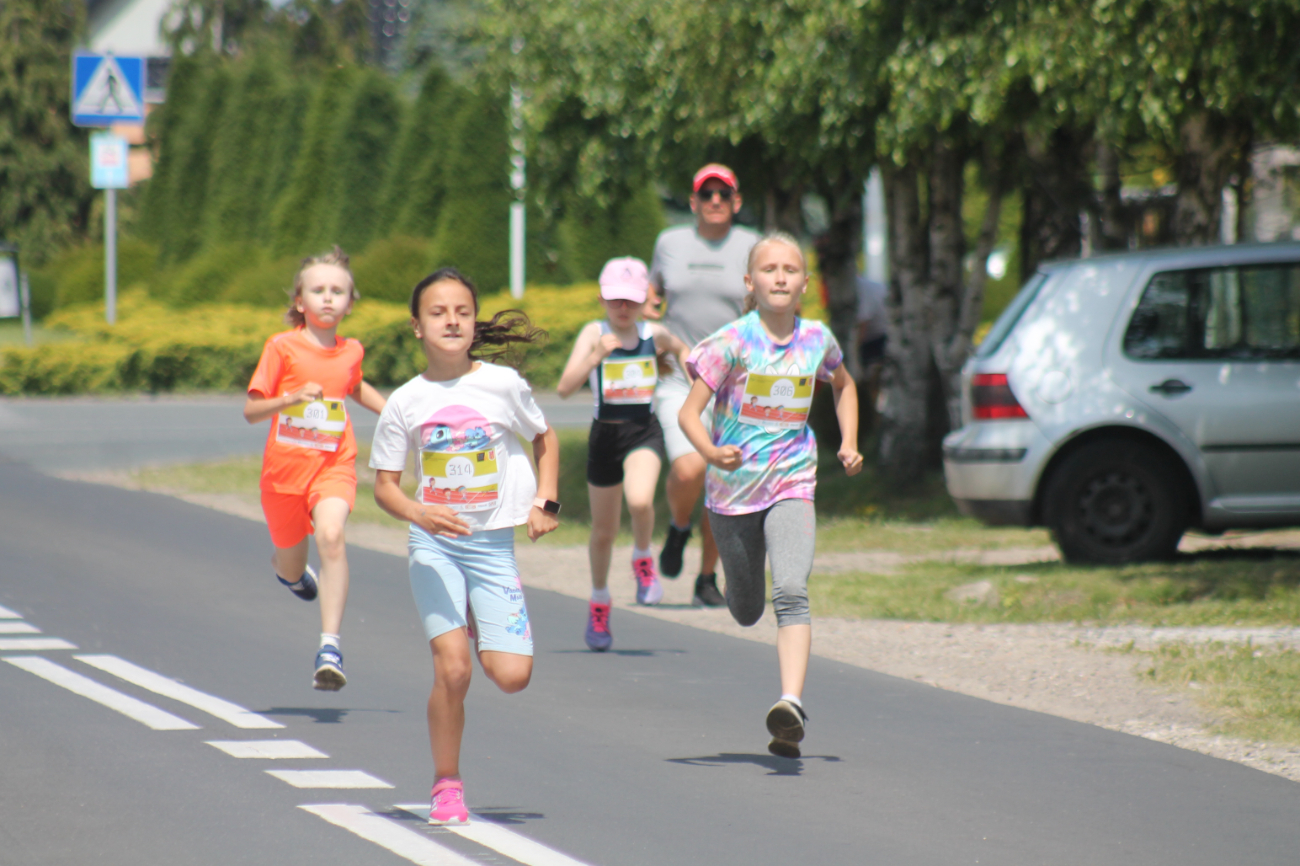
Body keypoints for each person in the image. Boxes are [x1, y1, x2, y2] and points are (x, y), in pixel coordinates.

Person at [369, 267, 560, 826]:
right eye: (437, 312)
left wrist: (545, 502)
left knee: (511, 676)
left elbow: (545, 438)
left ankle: (478, 614)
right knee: (454, 671)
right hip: (434, 546)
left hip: (492, 547)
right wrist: (418, 511)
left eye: (461, 311)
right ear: (416, 327)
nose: (451, 320)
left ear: (474, 322)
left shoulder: (502, 385)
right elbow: (384, 487)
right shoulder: (406, 402)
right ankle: (446, 785)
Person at [678, 232, 863, 759]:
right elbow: (688, 413)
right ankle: (736, 585)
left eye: (790, 269)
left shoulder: (817, 341)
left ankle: (790, 706)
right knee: (745, 608)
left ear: (805, 284)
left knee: (791, 591)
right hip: (732, 496)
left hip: (792, 484)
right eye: (769, 269)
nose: (780, 277)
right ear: (750, 283)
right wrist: (711, 453)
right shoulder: (731, 343)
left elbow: (845, 385)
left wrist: (849, 442)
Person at [243, 247, 386, 691]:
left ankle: (330, 647)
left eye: (338, 291)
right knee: (291, 565)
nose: (328, 298)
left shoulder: (352, 351)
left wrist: (399, 414)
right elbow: (251, 410)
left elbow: (354, 385)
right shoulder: (281, 347)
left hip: (333, 466)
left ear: (350, 301)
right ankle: (291, 574)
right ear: (300, 302)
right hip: (284, 477)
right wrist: (289, 399)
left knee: (331, 535)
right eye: (318, 290)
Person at [556, 257, 691, 651]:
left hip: (642, 431)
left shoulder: (654, 333)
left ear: (644, 299)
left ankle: (643, 559)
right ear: (602, 298)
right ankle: (599, 601)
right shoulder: (593, 333)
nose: (623, 308)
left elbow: (682, 350)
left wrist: (697, 385)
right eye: (615, 300)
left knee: (640, 499)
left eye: (631, 301)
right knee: (602, 533)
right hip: (604, 438)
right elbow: (564, 388)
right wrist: (595, 355)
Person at [645, 163, 760, 607]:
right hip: (682, 377)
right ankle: (678, 527)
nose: (715, 201)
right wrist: (649, 323)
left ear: (736, 202)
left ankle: (706, 577)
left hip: (736, 382)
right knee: (691, 468)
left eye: (723, 194)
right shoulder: (670, 243)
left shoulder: (751, 244)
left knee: (723, 481)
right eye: (706, 194)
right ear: (692, 202)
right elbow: (651, 294)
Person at [855, 273, 888, 429]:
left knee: (868, 379)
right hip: (875, 338)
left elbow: (863, 324)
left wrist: (852, 355)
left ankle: (870, 419)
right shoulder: (857, 286)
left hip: (882, 338)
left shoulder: (860, 288)